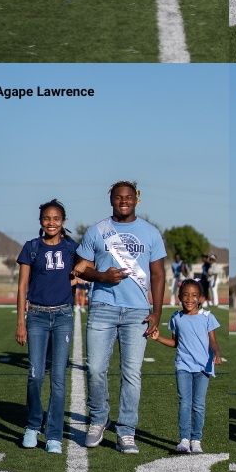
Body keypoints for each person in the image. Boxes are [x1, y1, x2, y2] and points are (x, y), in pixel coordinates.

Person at [74, 181, 167, 454]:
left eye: (128, 197)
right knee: (95, 369)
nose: (123, 201)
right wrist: (102, 276)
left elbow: (159, 275)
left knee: (131, 374)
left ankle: (126, 431)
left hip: (137, 312)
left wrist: (157, 312)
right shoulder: (96, 231)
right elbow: (79, 268)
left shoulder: (151, 233)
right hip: (103, 306)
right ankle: (99, 419)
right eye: (118, 198)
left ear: (136, 200)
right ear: (111, 200)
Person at [15, 199, 77, 454]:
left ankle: (53, 435)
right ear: (41, 221)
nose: (51, 223)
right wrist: (21, 321)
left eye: (56, 219)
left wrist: (71, 283)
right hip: (37, 317)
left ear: (63, 221)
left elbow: (87, 268)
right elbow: (22, 287)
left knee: (59, 378)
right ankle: (32, 425)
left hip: (63, 316)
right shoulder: (31, 248)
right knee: (35, 375)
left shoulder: (73, 248)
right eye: (47, 218)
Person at [149, 279, 221, 453]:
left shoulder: (207, 317)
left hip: (203, 368)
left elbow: (213, 341)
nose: (190, 298)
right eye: (186, 295)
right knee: (184, 403)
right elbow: (175, 343)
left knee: (198, 405)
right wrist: (158, 338)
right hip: (183, 365)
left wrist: (217, 353)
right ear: (179, 297)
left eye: (194, 295)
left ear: (201, 298)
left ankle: (196, 439)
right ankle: (184, 439)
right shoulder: (176, 318)